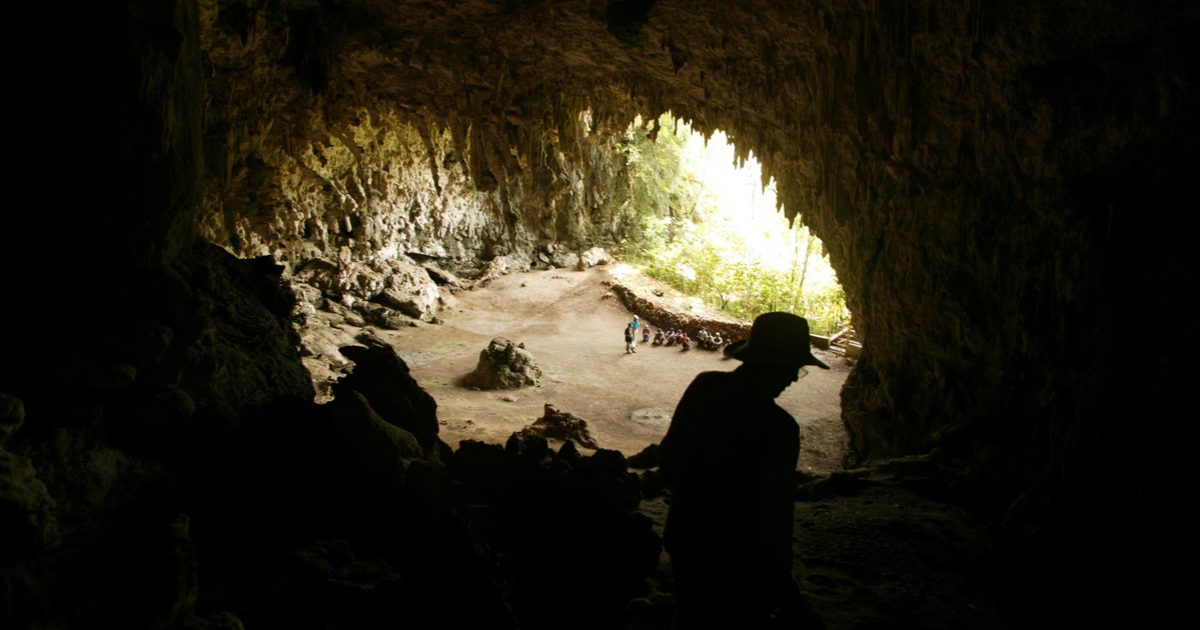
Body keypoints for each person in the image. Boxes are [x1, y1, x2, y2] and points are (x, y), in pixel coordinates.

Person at [659, 312, 829, 629]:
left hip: (686, 537)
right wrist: (781, 581)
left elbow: (670, 460)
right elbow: (773, 514)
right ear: (774, 365)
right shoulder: (779, 428)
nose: (793, 378)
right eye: (794, 367)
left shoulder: (704, 387)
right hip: (739, 562)